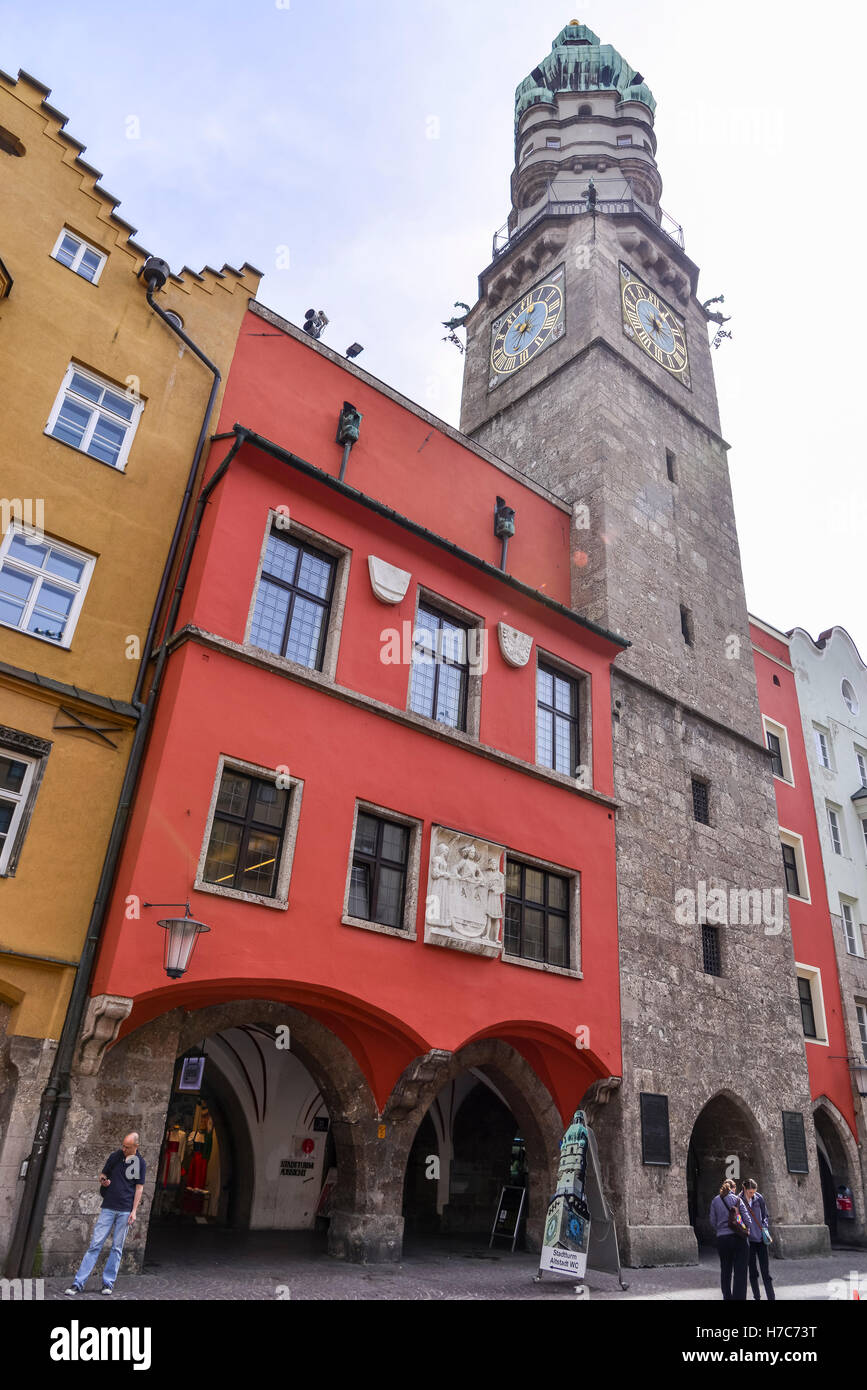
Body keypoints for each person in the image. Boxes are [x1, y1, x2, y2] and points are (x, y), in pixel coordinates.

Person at [65, 1130, 146, 1295]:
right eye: (123, 1145)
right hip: (108, 1207)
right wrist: (104, 1181)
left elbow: (139, 1188)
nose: (123, 1149)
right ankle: (78, 1283)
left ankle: (108, 1283)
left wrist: (134, 1211)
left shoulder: (140, 1163)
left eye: (127, 1147)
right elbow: (102, 1175)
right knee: (95, 1245)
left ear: (136, 1147)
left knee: (117, 1248)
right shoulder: (115, 1156)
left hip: (125, 1209)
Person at [709, 1178, 751, 1300]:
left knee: (725, 1269)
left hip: (722, 1239)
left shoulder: (715, 1201)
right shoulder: (738, 1200)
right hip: (738, 1239)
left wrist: (721, 1228)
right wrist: (741, 1225)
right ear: (733, 1189)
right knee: (740, 1271)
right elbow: (748, 1221)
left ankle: (727, 1297)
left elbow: (712, 1221)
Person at [740, 1178, 775, 1301]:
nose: (752, 1195)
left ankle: (771, 1297)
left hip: (760, 1240)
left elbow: (765, 1215)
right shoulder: (739, 1200)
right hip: (749, 1241)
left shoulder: (759, 1198)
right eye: (750, 1192)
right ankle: (757, 1297)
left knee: (766, 1272)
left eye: (754, 1192)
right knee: (753, 1272)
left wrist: (764, 1227)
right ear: (744, 1189)